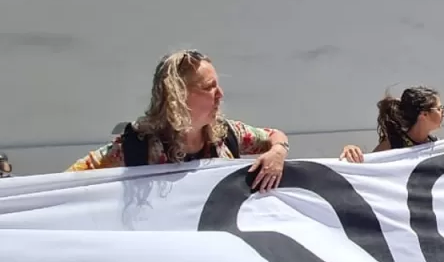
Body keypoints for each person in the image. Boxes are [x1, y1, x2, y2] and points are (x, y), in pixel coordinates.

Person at [68, 50, 289, 190]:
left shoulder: (227, 134)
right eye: (209, 87)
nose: (220, 94)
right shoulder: (135, 148)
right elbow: (65, 183)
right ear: (178, 96)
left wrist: (278, 152)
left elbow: (274, 136)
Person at [339, 86, 444, 162]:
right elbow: (365, 168)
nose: (443, 113)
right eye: (439, 109)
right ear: (424, 114)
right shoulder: (394, 144)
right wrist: (350, 151)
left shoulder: (435, 144)